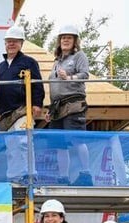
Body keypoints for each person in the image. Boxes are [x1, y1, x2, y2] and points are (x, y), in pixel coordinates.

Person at [0, 26, 45, 184]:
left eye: (15, 41)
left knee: (24, 141)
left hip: (23, 109)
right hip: (6, 114)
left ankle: (29, 174)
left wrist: (37, 103)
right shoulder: (1, 67)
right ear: (4, 43)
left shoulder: (28, 62)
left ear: (21, 43)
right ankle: (14, 177)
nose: (11, 44)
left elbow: (37, 83)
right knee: (11, 147)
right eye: (9, 41)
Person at [46, 24, 92, 186]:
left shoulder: (79, 56)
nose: (65, 40)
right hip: (58, 107)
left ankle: (86, 174)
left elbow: (85, 74)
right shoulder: (57, 61)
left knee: (78, 138)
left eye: (69, 38)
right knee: (59, 143)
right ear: (59, 41)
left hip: (73, 103)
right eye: (63, 37)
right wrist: (51, 109)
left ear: (75, 41)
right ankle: (63, 177)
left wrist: (70, 78)